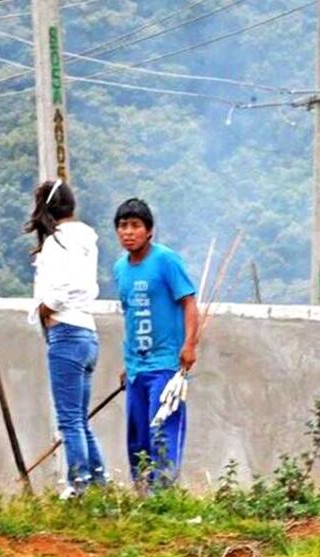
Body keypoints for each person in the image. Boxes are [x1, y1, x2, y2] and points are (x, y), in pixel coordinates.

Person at [26, 180, 108, 498]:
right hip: (87, 332)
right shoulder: (86, 240)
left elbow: (62, 289)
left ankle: (78, 485)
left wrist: (44, 309)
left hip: (66, 334)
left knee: (70, 419)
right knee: (80, 419)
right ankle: (99, 483)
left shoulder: (57, 242)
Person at [112, 198, 198, 488]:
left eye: (135, 225)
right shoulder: (120, 269)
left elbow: (188, 302)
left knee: (162, 431)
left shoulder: (166, 260)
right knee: (137, 439)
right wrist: (127, 364)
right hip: (136, 369)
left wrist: (189, 345)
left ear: (149, 230)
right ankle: (142, 497)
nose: (128, 232)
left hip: (165, 365)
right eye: (123, 226)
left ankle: (164, 495)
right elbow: (130, 316)